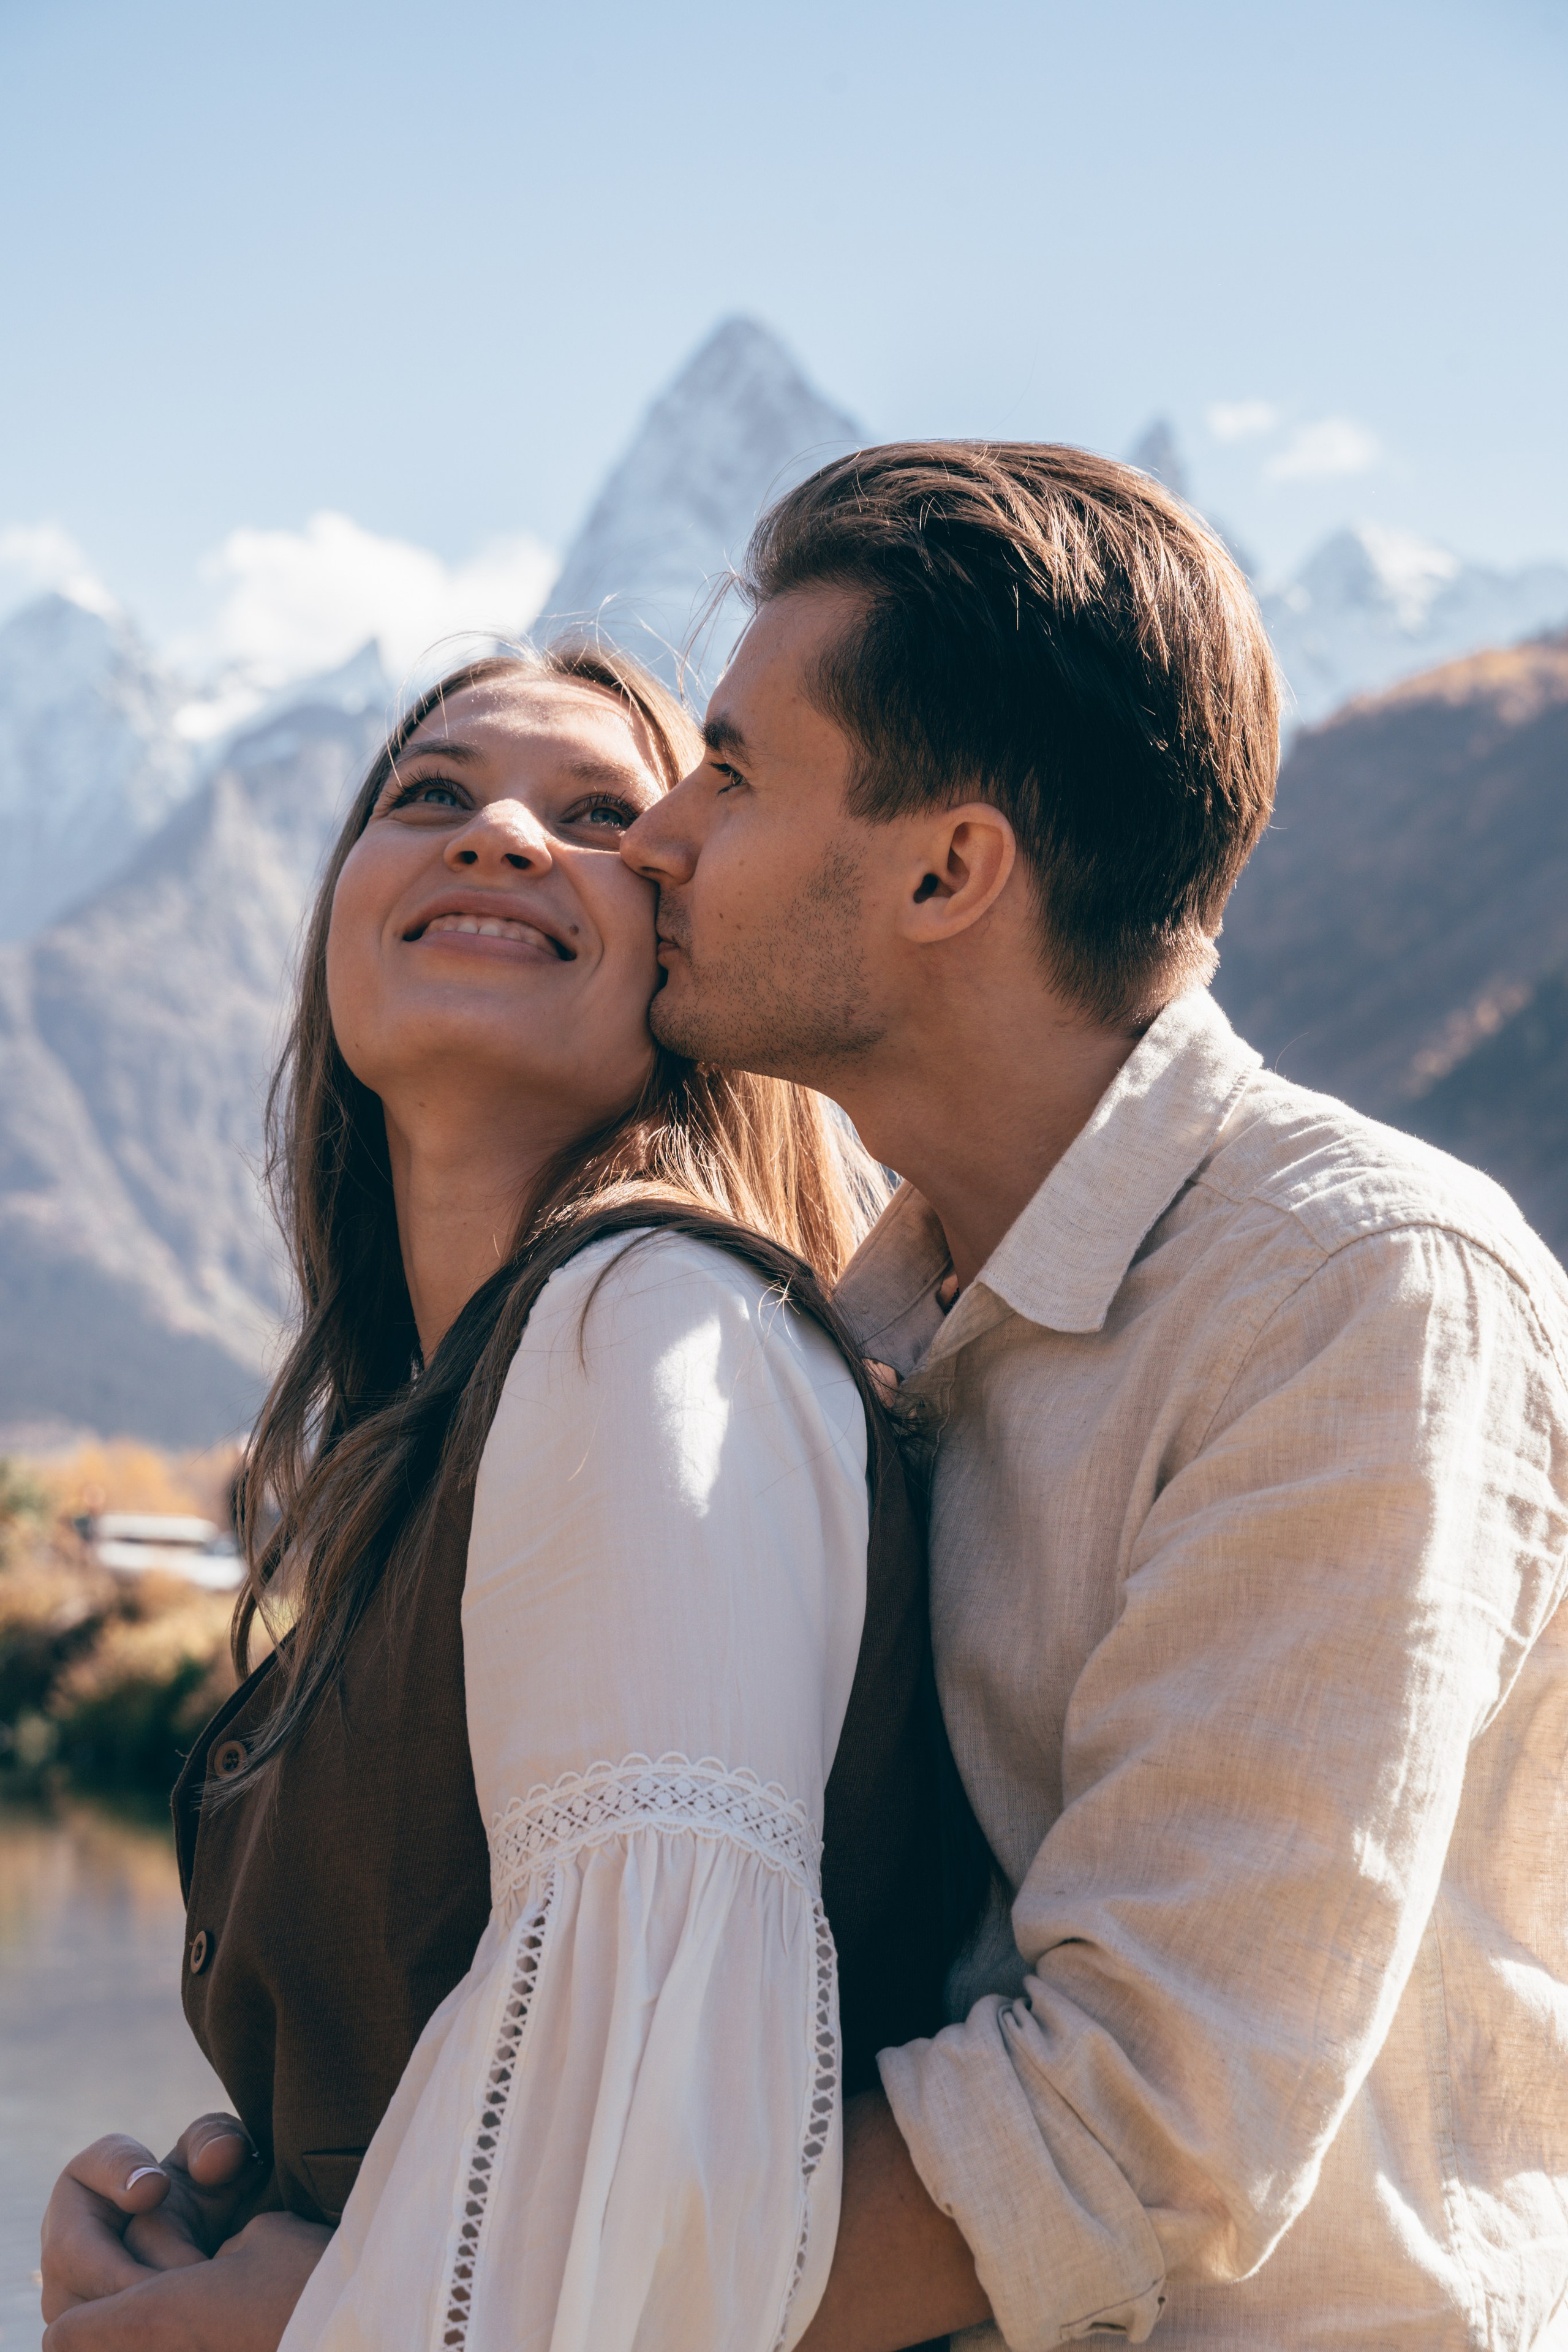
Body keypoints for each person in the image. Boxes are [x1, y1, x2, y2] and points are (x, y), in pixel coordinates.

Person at [617, 441, 1568, 2351]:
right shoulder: (867, 1334)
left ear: (950, 868)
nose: (654, 832)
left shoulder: (1351, 1301)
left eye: (730, 766)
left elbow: (1137, 2124)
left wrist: (419, 2305)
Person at [39, 643, 971, 2351]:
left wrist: (299, 2316)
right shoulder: (457, 1417)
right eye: (432, 797)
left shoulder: (647, 1332)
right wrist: (212, 2242)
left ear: (699, 948)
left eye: (606, 819)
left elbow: (682, 2173)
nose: (503, 838)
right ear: (336, 921)